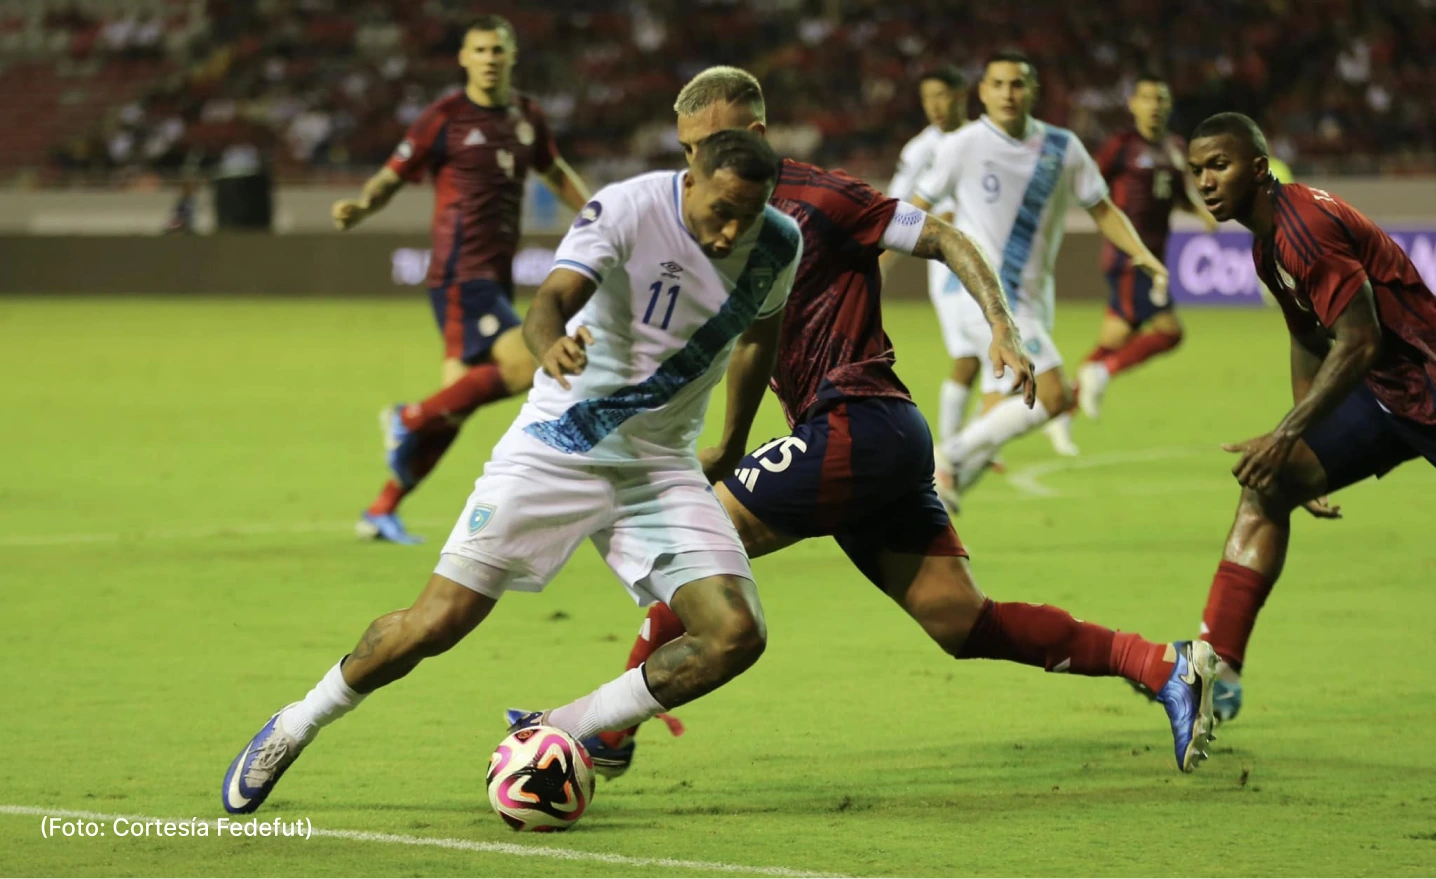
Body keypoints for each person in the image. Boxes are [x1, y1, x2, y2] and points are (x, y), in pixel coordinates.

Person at [552, 66, 1218, 782]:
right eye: (685, 151)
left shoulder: (826, 199)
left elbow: (947, 238)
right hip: (864, 444)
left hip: (860, 419)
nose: (694, 166)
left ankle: (602, 730)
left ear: (753, 134)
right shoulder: (716, 222)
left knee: (701, 535)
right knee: (961, 620)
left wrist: (1003, 327)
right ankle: (1160, 664)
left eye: (706, 144)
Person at [221, 130, 802, 815]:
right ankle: (296, 724)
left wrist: (732, 441)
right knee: (434, 624)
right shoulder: (626, 209)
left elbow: (760, 334)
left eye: (752, 210)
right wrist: (549, 343)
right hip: (559, 446)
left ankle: (561, 728)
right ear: (690, 176)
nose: (734, 229)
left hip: (659, 466)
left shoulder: (779, 242)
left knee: (736, 633)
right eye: (722, 209)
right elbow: (551, 299)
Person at [1185, 112, 1436, 722]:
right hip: (1381, 394)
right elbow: (1308, 338)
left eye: (1219, 165)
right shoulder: (1267, 244)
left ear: (1260, 167)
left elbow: (1359, 339)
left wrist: (1289, 432)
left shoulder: (1304, 228)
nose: (1206, 182)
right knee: (1268, 486)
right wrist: (1305, 440)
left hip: (1427, 385)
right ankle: (1217, 671)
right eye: (1197, 170)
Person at [333, 15, 590, 544]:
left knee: (457, 405)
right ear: (464, 58)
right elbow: (393, 172)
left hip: (492, 276)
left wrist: (598, 214)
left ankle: (383, 507)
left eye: (499, 49)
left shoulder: (527, 117)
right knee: (526, 365)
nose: (490, 58)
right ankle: (408, 416)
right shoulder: (444, 118)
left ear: (511, 56)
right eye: (480, 50)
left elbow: (556, 171)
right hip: (460, 275)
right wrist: (361, 205)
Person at [910, 50, 1170, 508]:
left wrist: (1143, 254)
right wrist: (867, 262)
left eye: (1018, 84)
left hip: (1033, 300)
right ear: (983, 92)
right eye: (999, 84)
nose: (1009, 93)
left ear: (1033, 91)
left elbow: (1103, 209)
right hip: (982, 298)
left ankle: (933, 506)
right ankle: (945, 457)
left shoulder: (1062, 147)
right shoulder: (963, 145)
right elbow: (913, 210)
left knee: (998, 414)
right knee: (1053, 396)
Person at [1076, 73, 1218, 419]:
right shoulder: (1121, 146)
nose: (1154, 106)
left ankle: (1061, 410)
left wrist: (1199, 211)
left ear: (1169, 105)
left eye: (1161, 99)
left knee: (1112, 342)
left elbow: (1174, 194)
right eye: (1148, 98)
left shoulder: (1176, 147)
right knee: (1170, 333)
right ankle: (1100, 374)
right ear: (1133, 104)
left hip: (1156, 256)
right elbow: (1089, 188)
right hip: (1130, 258)